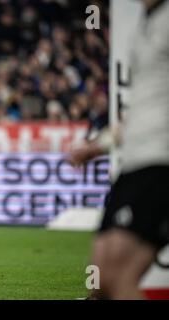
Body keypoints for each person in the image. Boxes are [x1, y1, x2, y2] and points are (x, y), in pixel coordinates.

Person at [68, 0, 169, 299]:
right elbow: (141, 108)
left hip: (161, 161)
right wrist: (98, 145)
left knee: (119, 277)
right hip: (135, 164)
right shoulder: (146, 24)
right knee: (100, 278)